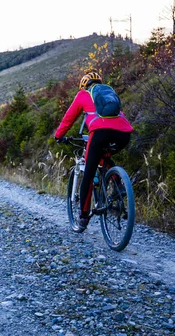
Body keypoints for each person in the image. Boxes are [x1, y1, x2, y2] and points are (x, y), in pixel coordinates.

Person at [54, 72, 134, 231]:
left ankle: (83, 216)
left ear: (84, 85)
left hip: (99, 132)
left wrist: (59, 136)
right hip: (124, 133)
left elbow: (68, 119)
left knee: (88, 174)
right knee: (104, 156)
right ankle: (118, 184)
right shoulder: (109, 93)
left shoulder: (83, 94)